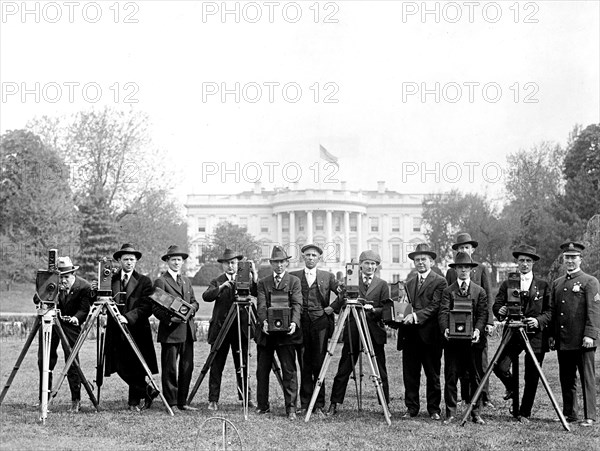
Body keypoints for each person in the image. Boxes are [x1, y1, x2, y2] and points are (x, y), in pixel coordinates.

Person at [492, 244, 551, 422]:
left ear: (533, 263)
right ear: (517, 262)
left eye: (528, 261)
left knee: (532, 375)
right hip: (512, 332)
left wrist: (538, 321)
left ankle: (524, 412)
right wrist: (500, 310)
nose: (524, 264)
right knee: (500, 366)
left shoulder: (543, 285)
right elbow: (497, 305)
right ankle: (512, 389)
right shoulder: (507, 283)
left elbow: (549, 311)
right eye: (521, 261)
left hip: (535, 335)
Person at [327, 250, 390, 415]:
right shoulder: (351, 280)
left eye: (373, 264)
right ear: (360, 265)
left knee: (380, 369)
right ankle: (334, 403)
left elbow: (386, 309)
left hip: (374, 330)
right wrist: (329, 309)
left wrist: (374, 310)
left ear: (377, 266)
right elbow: (340, 300)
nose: (370, 267)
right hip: (353, 328)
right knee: (344, 367)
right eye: (367, 263)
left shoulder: (382, 284)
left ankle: (385, 405)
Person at [103, 244, 159, 411]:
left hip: (137, 329)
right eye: (126, 259)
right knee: (118, 365)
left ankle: (133, 402)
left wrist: (127, 317)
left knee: (137, 366)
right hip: (115, 330)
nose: (129, 262)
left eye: (132, 260)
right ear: (119, 260)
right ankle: (147, 390)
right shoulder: (110, 279)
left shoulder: (144, 281)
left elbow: (146, 306)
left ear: (136, 261)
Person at [550, 241, 599, 427]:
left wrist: (590, 335)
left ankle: (590, 416)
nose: (570, 261)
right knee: (567, 378)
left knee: (587, 378)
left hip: (583, 340)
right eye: (567, 258)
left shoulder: (590, 281)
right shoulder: (558, 283)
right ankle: (570, 413)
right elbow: (555, 313)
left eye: (573, 257)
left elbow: (594, 311)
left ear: (580, 259)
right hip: (564, 340)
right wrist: (553, 336)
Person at [202, 248, 258, 411]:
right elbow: (207, 296)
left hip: (240, 329)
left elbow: (256, 292)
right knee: (216, 364)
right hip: (221, 329)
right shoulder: (218, 280)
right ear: (222, 265)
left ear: (238, 265)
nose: (230, 266)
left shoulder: (244, 279)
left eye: (233, 263)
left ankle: (246, 397)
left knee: (243, 364)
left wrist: (254, 274)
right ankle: (213, 399)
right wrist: (223, 287)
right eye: (227, 264)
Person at [290, 244, 341, 416]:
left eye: (314, 255)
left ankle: (318, 403)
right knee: (304, 362)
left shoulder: (327, 276)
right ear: (303, 257)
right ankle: (305, 403)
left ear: (319, 258)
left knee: (319, 362)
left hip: (320, 324)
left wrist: (332, 307)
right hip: (301, 323)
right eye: (307, 255)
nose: (310, 258)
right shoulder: (294, 276)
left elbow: (344, 293)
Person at [36, 256, 92, 413]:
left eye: (66, 277)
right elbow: (37, 298)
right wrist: (45, 287)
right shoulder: (52, 284)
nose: (63, 281)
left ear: (73, 274)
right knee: (44, 359)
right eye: (60, 277)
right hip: (50, 324)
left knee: (72, 362)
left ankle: (76, 400)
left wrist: (75, 319)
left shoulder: (84, 287)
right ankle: (44, 399)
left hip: (71, 326)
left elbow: (84, 309)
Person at [446, 232, 495, 408]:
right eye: (460, 248)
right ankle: (465, 395)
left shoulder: (481, 269)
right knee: (460, 362)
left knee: (480, 362)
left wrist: (488, 321)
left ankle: (484, 395)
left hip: (478, 323)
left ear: (472, 249)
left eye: (466, 247)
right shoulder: (452, 272)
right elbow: (448, 297)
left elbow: (488, 296)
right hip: (459, 323)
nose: (464, 249)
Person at [439, 252, 488, 425]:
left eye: (466, 267)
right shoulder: (448, 291)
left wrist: (477, 330)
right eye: (460, 267)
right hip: (452, 342)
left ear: (471, 269)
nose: (463, 270)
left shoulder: (479, 291)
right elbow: (443, 312)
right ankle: (450, 413)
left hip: (473, 343)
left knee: (474, 377)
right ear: (455, 269)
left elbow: (483, 314)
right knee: (451, 376)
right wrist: (445, 328)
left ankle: (475, 412)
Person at [401, 243, 447, 420]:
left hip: (431, 336)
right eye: (417, 260)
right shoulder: (409, 282)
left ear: (432, 262)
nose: (420, 262)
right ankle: (411, 408)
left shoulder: (440, 281)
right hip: (411, 336)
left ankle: (434, 409)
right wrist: (400, 314)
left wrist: (415, 316)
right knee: (410, 374)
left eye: (423, 259)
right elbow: (405, 306)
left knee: (432, 374)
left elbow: (436, 306)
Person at [255, 246, 302, 420]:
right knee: (262, 371)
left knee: (289, 370)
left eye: (282, 262)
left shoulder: (294, 281)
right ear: (271, 263)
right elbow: (261, 305)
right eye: (276, 262)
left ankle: (291, 408)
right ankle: (262, 405)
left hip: (287, 334)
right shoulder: (263, 282)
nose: (279, 265)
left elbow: (297, 304)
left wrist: (294, 323)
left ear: (287, 263)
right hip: (267, 333)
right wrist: (264, 322)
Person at [152, 245, 199, 412]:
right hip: (171, 332)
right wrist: (169, 318)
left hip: (187, 332)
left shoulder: (186, 280)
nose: (177, 262)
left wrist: (192, 308)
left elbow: (194, 301)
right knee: (170, 368)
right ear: (167, 261)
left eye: (179, 260)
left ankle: (182, 402)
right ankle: (171, 403)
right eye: (173, 260)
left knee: (187, 367)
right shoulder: (161, 281)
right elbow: (156, 308)